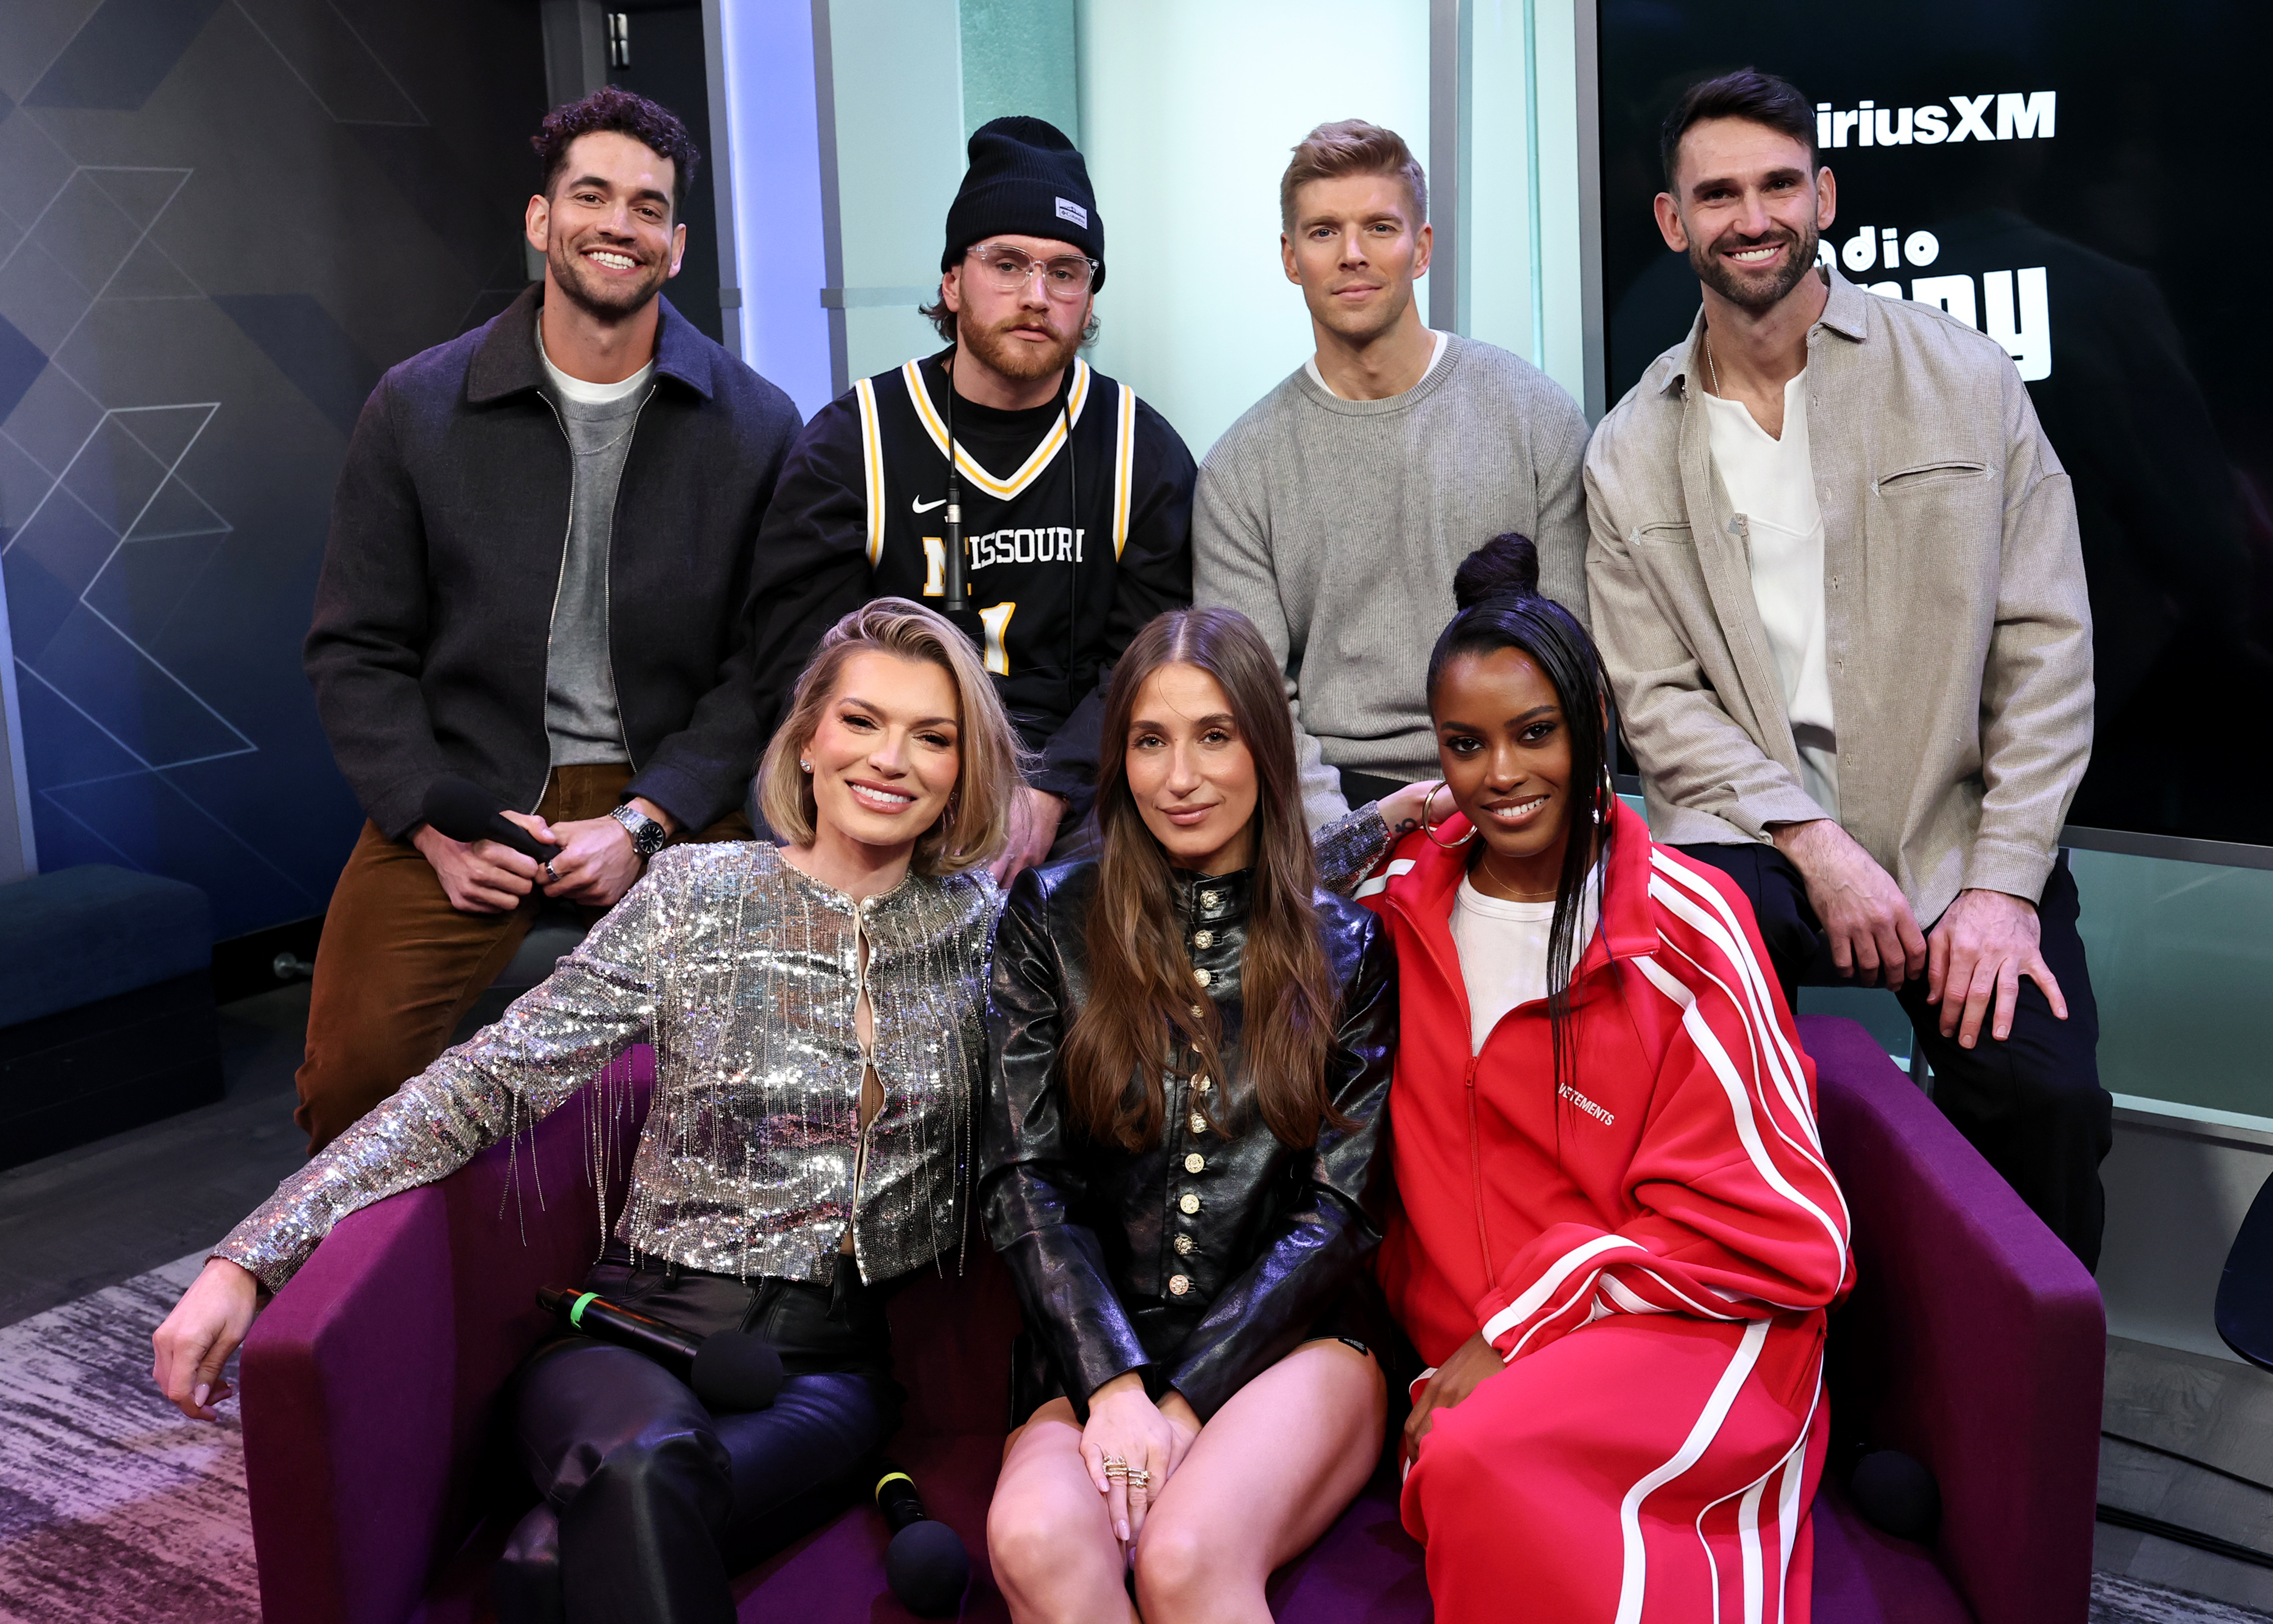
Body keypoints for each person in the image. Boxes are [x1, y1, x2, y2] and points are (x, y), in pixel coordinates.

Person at [152, 599, 1024, 1623]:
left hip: (821, 1376)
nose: (892, 759)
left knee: (551, 1560)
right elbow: (485, 1081)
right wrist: (253, 1254)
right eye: (863, 721)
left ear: (965, 771)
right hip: (628, 1334)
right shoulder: (695, 891)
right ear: (808, 738)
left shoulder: (987, 931)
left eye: (934, 736)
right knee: (644, 1468)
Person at [1584, 69, 2108, 1265]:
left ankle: (2020, 1404)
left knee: (2047, 1096)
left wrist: (2004, 885)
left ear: (1824, 195)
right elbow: (1657, 704)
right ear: (1674, 222)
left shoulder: (1964, 381)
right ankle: (1767, 1371)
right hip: (1753, 840)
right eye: (1718, 193)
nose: (1752, 215)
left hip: (1950, 837)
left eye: (1778, 184)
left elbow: (2048, 648)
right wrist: (1813, 844)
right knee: (1690, 1081)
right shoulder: (1629, 447)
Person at [295, 86, 803, 1153]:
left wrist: (646, 820)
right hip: (465, 789)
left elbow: (766, 666)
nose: (618, 224)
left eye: (647, 207)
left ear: (675, 245)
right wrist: (429, 820)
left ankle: (666, 1295)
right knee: (354, 1075)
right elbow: (357, 646)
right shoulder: (417, 406)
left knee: (760, 1063)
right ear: (541, 221)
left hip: (673, 791)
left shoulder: (757, 423)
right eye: (592, 195)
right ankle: (380, 1307)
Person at [1357, 535, 1852, 1623]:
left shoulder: (1685, 924)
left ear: (1592, 728)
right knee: (1469, 1467)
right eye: (1463, 745)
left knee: (1476, 1466)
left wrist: (1511, 1331)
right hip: (1483, 1348)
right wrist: (1394, 819)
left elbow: (1786, 1232)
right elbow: (1251, 885)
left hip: (1678, 1321)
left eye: (1535, 734)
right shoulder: (1395, 903)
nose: (1500, 775)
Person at [982, 606, 1400, 1624]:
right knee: (1035, 1540)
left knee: (1183, 1557)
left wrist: (1185, 1396)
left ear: (1263, 744)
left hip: (1296, 1352)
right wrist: (1116, 1383)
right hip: (1086, 1352)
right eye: (1150, 741)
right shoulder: (1048, 915)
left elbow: (1340, 1209)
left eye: (1215, 735)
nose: (1182, 777)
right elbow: (1023, 1178)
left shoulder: (1349, 945)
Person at [748, 115, 1197, 886]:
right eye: (1008, 264)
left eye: (1066, 272)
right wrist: (926, 785)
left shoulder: (1139, 451)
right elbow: (801, 666)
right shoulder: (855, 442)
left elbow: (1145, 666)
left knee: (1139, 856)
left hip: (1071, 780)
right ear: (953, 282)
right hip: (889, 760)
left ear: (1089, 300)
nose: (1036, 296)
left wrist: (1049, 788)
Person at [1193, 119, 1592, 829]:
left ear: (1422, 248)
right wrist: (1350, 841)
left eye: (1380, 227)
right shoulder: (1239, 470)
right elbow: (1256, 701)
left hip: (1515, 781)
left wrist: (1497, 798)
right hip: (1338, 800)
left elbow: (1576, 662)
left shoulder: (1536, 417)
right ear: (1291, 257)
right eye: (1323, 233)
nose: (1352, 255)